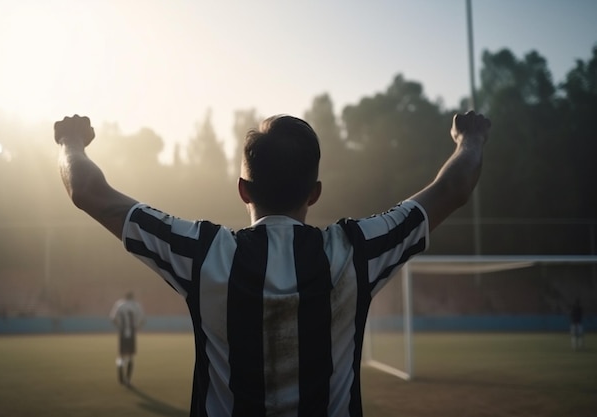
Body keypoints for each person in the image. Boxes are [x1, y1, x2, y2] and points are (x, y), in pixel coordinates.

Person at [54, 110, 491, 416]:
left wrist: (70, 143)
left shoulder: (203, 252)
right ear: (315, 192)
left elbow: (89, 193)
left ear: (243, 189)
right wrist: (469, 139)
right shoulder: (356, 251)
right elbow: (453, 189)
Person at [109, 291, 145, 386]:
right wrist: (137, 327)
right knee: (130, 356)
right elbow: (142, 319)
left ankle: (120, 373)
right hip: (131, 333)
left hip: (122, 332)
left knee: (121, 355)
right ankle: (128, 379)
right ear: (132, 297)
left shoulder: (119, 304)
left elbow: (112, 318)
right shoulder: (136, 305)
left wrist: (119, 327)